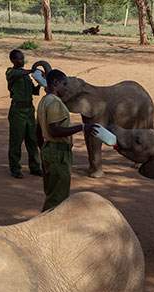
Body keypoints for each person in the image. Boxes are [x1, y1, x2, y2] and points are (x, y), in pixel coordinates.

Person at [36, 69, 95, 211]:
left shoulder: (44, 101)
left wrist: (44, 148)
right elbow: (54, 130)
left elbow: (37, 130)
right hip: (59, 153)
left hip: (48, 150)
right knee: (58, 199)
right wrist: (82, 127)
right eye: (64, 84)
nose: (66, 88)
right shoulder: (55, 103)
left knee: (52, 193)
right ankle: (47, 227)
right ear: (55, 83)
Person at [6, 49, 43, 179]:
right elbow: (16, 74)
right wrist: (33, 71)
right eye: (19, 59)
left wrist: (40, 83)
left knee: (32, 140)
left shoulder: (26, 76)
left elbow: (34, 91)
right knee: (16, 140)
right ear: (13, 60)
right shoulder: (11, 72)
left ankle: (35, 167)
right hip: (17, 111)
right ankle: (15, 168)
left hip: (29, 110)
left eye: (22, 58)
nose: (21, 61)